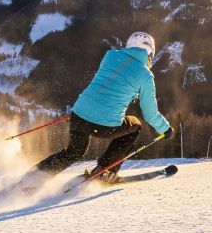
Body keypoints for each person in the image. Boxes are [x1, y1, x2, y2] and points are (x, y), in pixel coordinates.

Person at [31, 32, 173, 185]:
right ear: (149, 53)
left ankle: (35, 174)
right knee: (135, 125)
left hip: (78, 114)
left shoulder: (110, 56)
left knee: (74, 151)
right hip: (104, 125)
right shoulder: (145, 76)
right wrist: (165, 129)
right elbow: (150, 114)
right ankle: (105, 172)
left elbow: (106, 85)